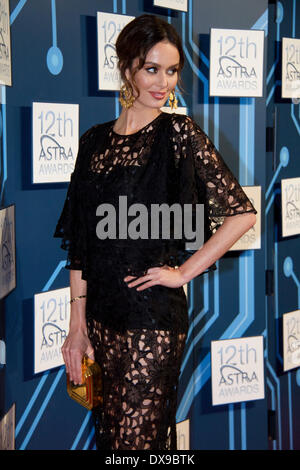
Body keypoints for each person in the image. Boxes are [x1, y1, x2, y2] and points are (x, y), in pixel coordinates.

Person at [53, 14, 257, 450]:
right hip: (100, 319)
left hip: (153, 320)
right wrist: (77, 325)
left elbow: (242, 214)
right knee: (114, 441)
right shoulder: (92, 142)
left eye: (171, 70)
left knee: (136, 443)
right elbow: (81, 245)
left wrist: (182, 273)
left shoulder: (179, 134)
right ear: (127, 67)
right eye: (152, 69)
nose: (163, 82)